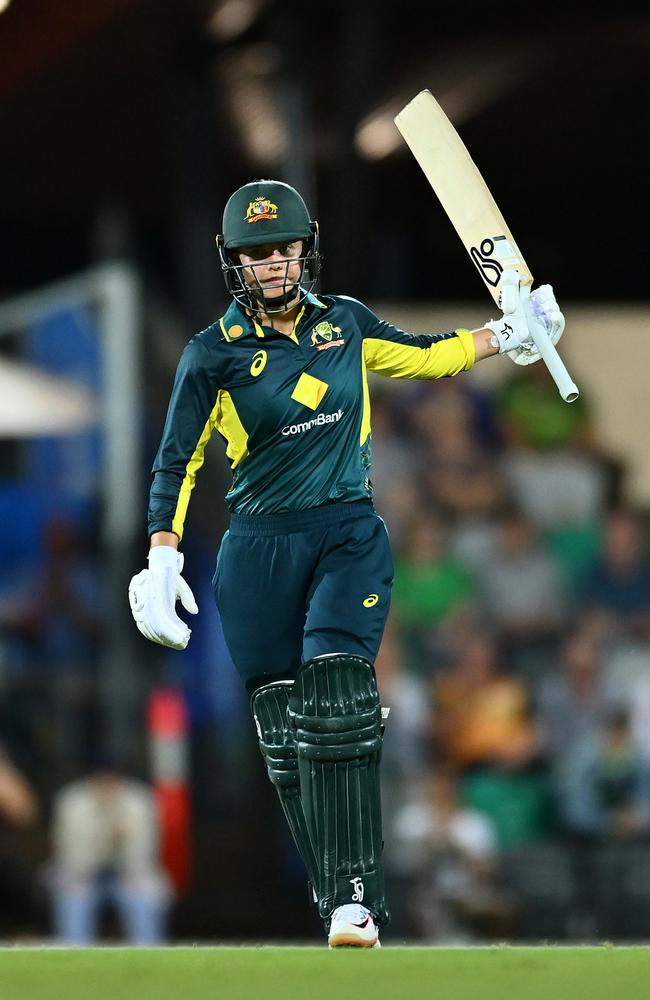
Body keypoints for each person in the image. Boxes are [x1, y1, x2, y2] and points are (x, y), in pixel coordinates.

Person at [128, 179, 564, 948]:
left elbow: (431, 357)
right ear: (233, 262)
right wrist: (162, 557)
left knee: (338, 691)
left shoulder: (347, 325)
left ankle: (356, 901)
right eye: (254, 254)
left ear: (306, 248)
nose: (270, 265)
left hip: (347, 532)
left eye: (282, 249)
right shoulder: (211, 355)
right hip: (258, 546)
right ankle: (337, 900)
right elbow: (176, 463)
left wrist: (511, 332)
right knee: (285, 740)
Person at [48, 759, 171, 945]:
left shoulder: (139, 800)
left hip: (129, 875)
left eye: (111, 781)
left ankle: (150, 958)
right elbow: (72, 859)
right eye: (100, 781)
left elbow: (144, 857)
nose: (106, 787)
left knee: (145, 897)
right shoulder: (72, 800)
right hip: (83, 876)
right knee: (73, 898)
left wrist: (121, 843)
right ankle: (72, 961)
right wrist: (105, 840)